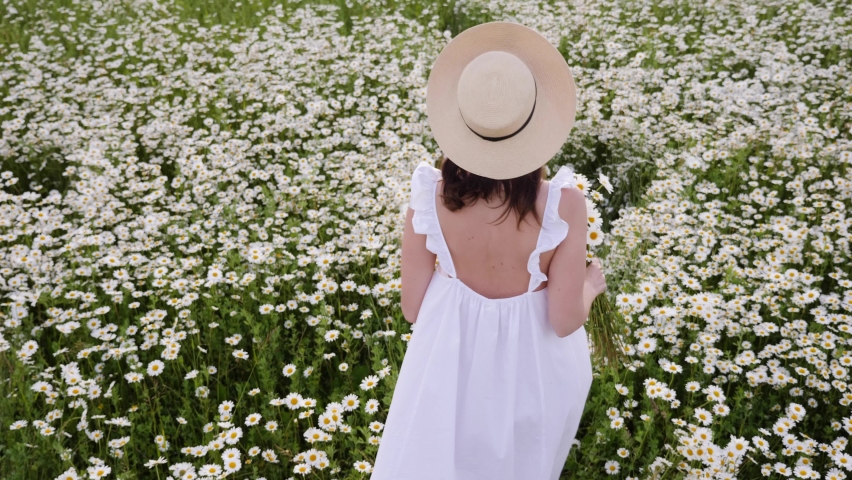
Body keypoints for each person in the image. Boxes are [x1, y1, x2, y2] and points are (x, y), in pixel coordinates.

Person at [370, 21, 608, 480]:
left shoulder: (429, 197)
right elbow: (563, 321)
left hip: (450, 355)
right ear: (538, 124)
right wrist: (589, 287)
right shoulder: (562, 204)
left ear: (460, 123)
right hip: (533, 366)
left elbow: (413, 308)